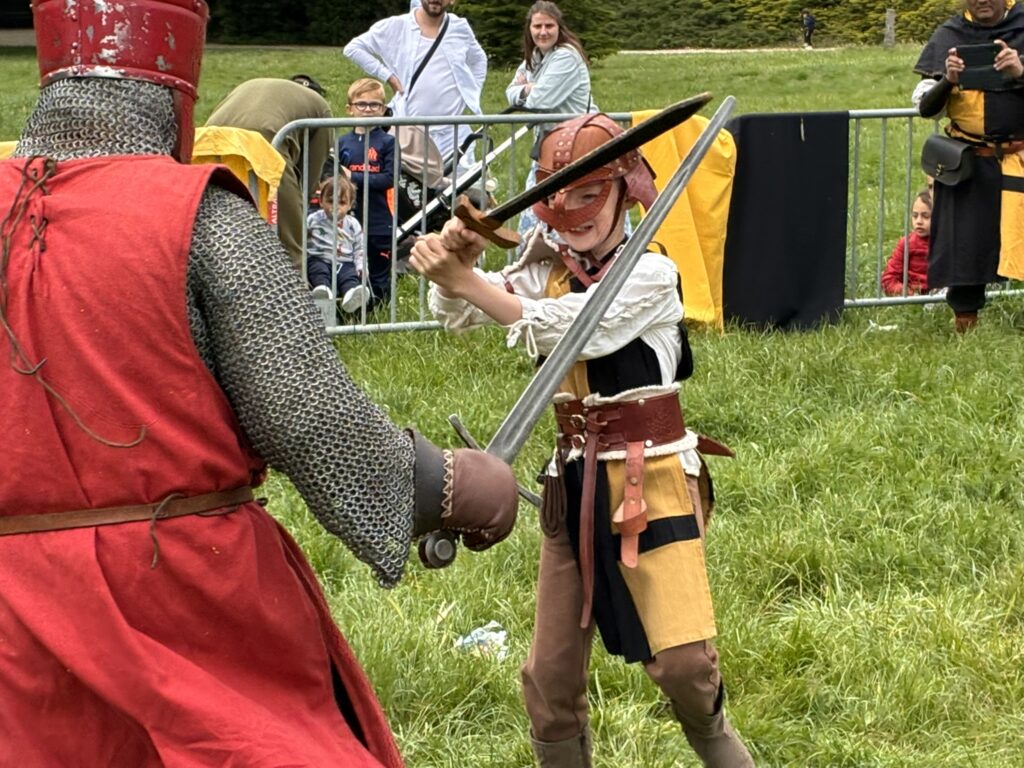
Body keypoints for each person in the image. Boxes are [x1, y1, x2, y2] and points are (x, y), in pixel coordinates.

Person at [1, 1, 519, 765]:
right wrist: (443, 485)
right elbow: (306, 416)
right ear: (174, 88)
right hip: (181, 597)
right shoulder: (196, 216)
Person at [410, 113, 754, 768]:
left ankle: (718, 745)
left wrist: (467, 281)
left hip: (652, 477)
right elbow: (457, 316)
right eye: (559, 200)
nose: (574, 217)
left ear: (625, 190)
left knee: (684, 666)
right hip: (571, 482)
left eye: (589, 196)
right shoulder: (546, 270)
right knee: (549, 678)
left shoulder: (651, 275)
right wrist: (460, 263)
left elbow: (574, 330)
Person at [913, 0, 1024, 332]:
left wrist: (1020, 72)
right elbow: (926, 108)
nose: (982, 0)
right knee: (965, 247)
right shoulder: (950, 34)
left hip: (1020, 159)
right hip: (970, 163)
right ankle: (966, 325)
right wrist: (948, 80)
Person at [205, 74, 333, 270]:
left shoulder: (251, 85)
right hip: (266, 142)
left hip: (210, 141)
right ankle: (291, 286)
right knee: (289, 245)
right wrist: (297, 207)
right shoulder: (321, 107)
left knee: (213, 227)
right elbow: (311, 171)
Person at [342, 0, 487, 165]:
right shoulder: (397, 26)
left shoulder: (460, 28)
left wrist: (470, 93)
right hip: (410, 134)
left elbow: (479, 60)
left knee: (459, 181)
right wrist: (389, 77)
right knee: (408, 181)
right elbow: (353, 48)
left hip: (453, 135)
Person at [505, 1, 596, 241]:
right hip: (549, 147)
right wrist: (528, 89)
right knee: (536, 212)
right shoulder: (535, 57)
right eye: (537, 26)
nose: (543, 32)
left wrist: (528, 89)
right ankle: (535, 258)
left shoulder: (566, 56)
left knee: (576, 212)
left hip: (577, 145)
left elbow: (541, 101)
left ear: (559, 27)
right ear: (529, 29)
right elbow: (510, 92)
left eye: (549, 26)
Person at [333, 78, 396, 310]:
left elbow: (388, 179)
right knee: (350, 267)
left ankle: (379, 316)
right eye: (361, 104)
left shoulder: (388, 143)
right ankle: (353, 313)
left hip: (379, 222)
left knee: (378, 274)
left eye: (374, 104)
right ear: (350, 109)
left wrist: (353, 177)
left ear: (383, 109)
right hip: (348, 221)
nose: (368, 109)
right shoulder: (342, 142)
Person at [307, 175, 372, 313]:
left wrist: (361, 266)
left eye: (342, 203)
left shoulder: (353, 224)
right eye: (331, 201)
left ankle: (351, 295)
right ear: (321, 201)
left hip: (344, 262)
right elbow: (302, 238)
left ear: (350, 205)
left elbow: (359, 247)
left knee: (349, 276)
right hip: (320, 258)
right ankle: (323, 290)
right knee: (318, 270)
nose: (336, 207)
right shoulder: (313, 219)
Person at [881, 189, 932, 297]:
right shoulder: (907, 243)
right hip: (913, 294)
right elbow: (888, 278)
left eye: (926, 216)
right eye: (915, 216)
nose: (918, 221)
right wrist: (909, 294)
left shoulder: (948, 243)